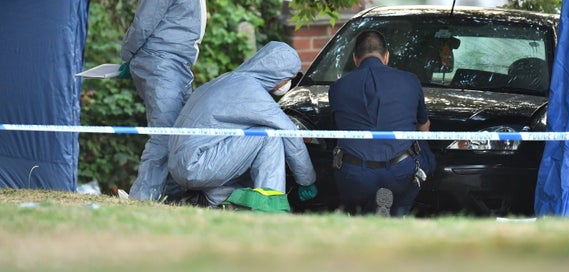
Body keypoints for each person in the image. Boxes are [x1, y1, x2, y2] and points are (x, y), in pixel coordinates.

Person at [119, 0, 233, 201]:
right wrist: (129, 54)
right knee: (166, 132)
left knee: (180, 133)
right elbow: (146, 19)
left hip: (176, 65)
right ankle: (143, 197)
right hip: (161, 62)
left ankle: (169, 194)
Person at [167, 41, 318, 208]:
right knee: (268, 136)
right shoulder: (252, 92)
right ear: (277, 74)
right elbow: (289, 133)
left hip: (181, 164)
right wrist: (306, 180)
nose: (288, 83)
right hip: (197, 165)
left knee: (248, 140)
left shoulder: (225, 80)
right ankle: (270, 206)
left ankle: (215, 201)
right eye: (289, 77)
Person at [328, 30, 436, 217]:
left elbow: (337, 128)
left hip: (355, 173)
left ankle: (359, 215)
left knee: (355, 206)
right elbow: (423, 128)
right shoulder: (410, 81)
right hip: (400, 171)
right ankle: (397, 215)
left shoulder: (338, 87)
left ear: (355, 58)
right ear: (386, 57)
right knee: (424, 152)